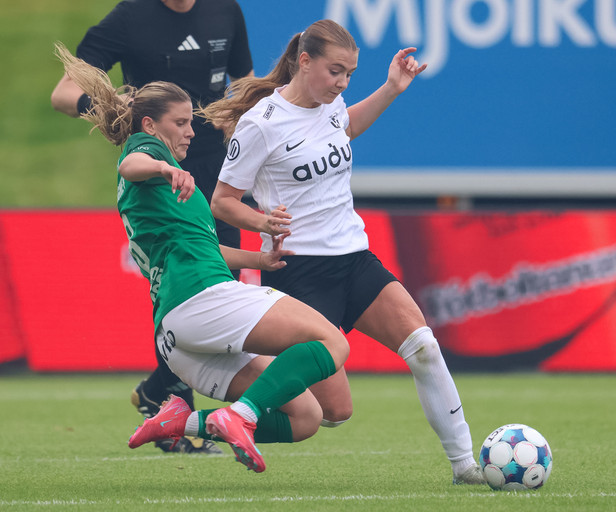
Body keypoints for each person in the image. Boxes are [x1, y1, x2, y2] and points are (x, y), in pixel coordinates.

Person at [200, 19, 485, 484]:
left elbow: (345, 127)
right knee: (333, 412)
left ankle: (465, 466)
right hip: (298, 273)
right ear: (304, 61)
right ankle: (205, 418)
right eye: (335, 71)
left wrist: (391, 89)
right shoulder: (261, 124)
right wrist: (262, 222)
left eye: (350, 74)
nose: (343, 83)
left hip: (354, 259)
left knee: (424, 346)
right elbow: (222, 201)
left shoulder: (331, 106)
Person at [54, 42, 349, 473]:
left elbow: (203, 248)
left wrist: (259, 261)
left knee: (306, 417)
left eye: (190, 122)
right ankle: (240, 416)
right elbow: (130, 164)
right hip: (203, 301)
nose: (191, 132)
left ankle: (181, 420)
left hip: (177, 336)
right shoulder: (148, 153)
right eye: (181, 123)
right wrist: (163, 167)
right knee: (332, 342)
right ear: (150, 125)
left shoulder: (170, 187)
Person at [50, 0, 254, 454]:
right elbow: (62, 94)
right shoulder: (129, 17)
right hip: (160, 171)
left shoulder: (225, 10)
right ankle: (175, 405)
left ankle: (158, 392)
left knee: (226, 290)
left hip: (218, 170)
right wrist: (114, 111)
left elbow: (243, 87)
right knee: (183, 291)